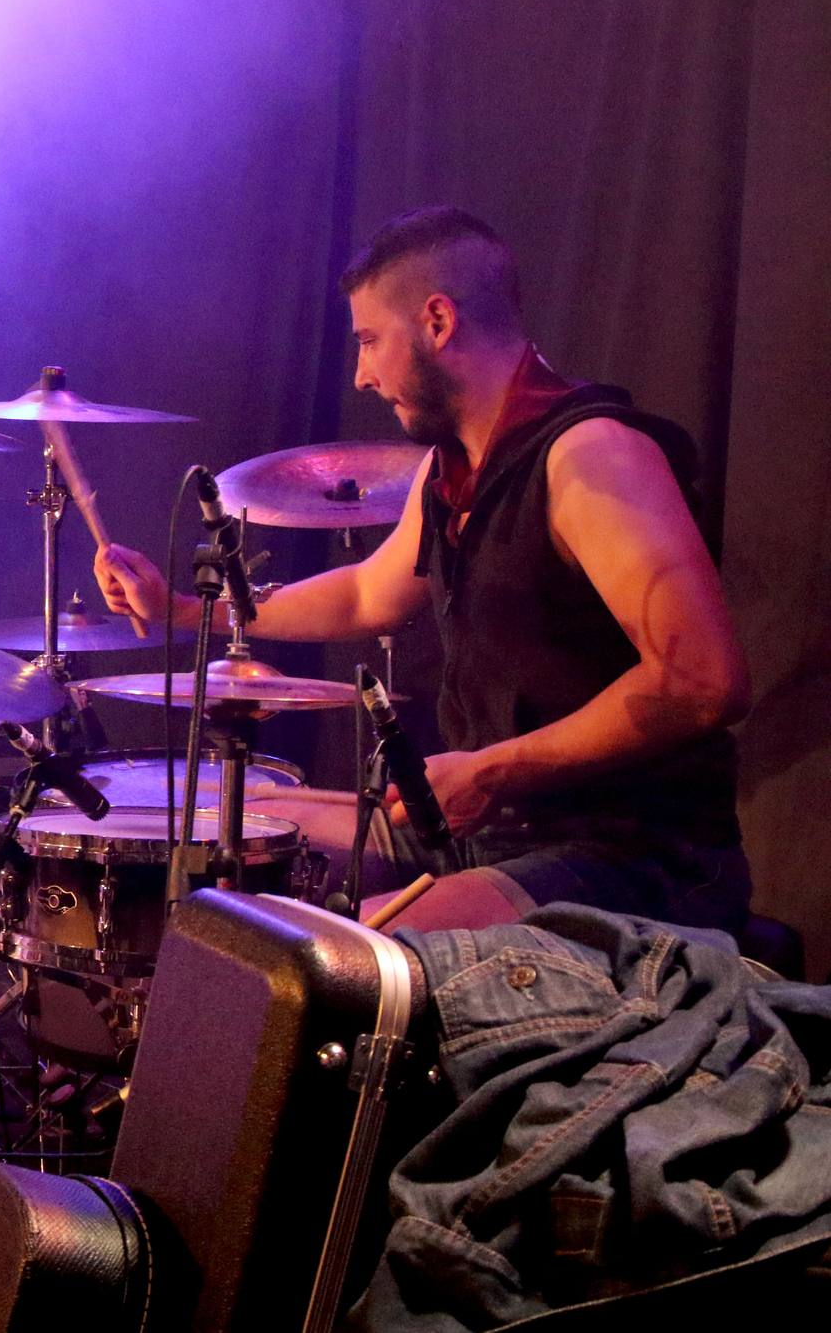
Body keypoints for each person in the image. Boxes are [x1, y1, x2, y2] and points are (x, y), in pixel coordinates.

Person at [95, 207, 752, 933]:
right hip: (499, 834)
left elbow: (702, 682)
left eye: (371, 341)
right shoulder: (456, 466)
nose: (362, 375)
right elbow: (366, 595)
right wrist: (188, 612)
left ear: (437, 321)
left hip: (633, 856)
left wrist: (492, 770)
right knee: (225, 821)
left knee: (318, 958)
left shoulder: (591, 455)